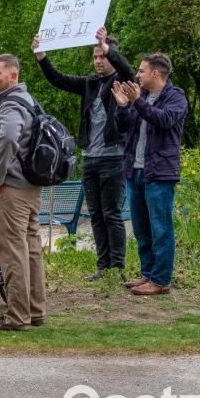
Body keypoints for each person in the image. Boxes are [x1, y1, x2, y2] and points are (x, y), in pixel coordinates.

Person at [31, 27, 135, 282]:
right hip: (90, 158)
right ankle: (102, 267)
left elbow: (128, 70)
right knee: (96, 214)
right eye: (95, 57)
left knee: (111, 213)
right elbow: (59, 80)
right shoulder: (89, 84)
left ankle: (117, 268)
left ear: (111, 56)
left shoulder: (122, 81)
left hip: (114, 158)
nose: (98, 61)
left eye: (103, 56)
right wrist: (42, 57)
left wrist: (107, 47)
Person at [111, 52, 188, 295]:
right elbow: (123, 127)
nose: (137, 75)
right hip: (135, 171)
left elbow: (163, 120)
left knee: (161, 229)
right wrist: (122, 106)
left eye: (141, 71)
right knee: (142, 229)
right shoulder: (141, 96)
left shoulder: (176, 97)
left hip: (160, 174)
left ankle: (161, 280)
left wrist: (137, 102)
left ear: (155, 73)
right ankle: (148, 274)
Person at [0, 54, 45, 331]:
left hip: (12, 188)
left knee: (12, 252)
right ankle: (35, 311)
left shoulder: (10, 103)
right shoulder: (29, 100)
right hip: (31, 186)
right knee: (31, 249)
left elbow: (8, 138)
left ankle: (17, 316)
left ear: (13, 75)